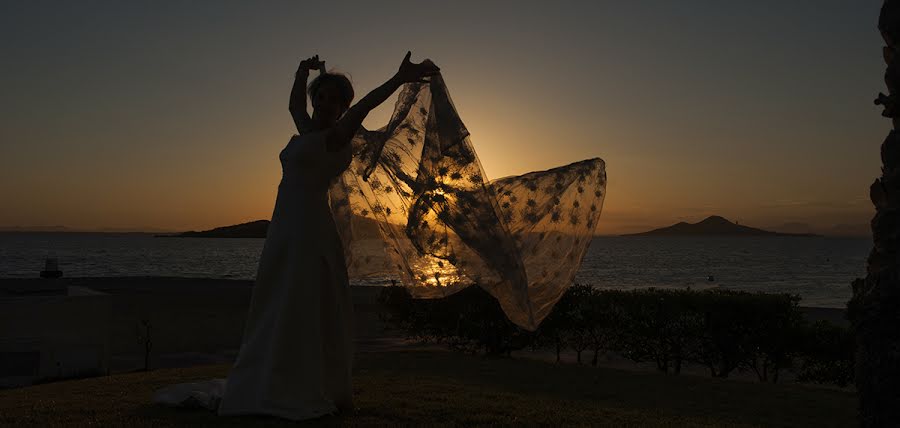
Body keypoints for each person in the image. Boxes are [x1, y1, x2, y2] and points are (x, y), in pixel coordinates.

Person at [153, 52, 438, 421]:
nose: (324, 104)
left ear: (342, 107)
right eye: (319, 97)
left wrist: (399, 79)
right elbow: (293, 104)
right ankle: (274, 374)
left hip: (308, 228)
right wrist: (302, 72)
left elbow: (364, 107)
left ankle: (301, 384)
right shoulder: (309, 133)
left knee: (299, 301)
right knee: (277, 298)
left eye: (334, 99)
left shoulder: (337, 137)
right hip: (286, 226)